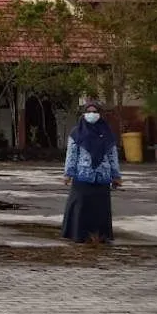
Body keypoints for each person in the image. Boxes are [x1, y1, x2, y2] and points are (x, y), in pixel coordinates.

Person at [61, 101, 122, 244]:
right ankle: (78, 235)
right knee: (81, 207)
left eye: (95, 112)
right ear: (83, 114)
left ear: (100, 114)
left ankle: (101, 236)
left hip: (102, 177)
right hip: (83, 175)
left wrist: (116, 175)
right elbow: (72, 155)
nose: (92, 114)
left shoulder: (107, 133)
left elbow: (112, 156)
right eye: (89, 111)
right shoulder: (77, 133)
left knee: (100, 210)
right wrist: (68, 173)